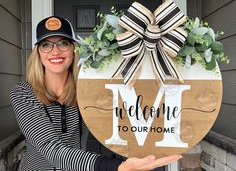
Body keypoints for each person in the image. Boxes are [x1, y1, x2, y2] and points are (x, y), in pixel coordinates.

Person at [9, 16, 182, 171]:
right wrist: (116, 167)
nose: (55, 51)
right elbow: (52, 149)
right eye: (46, 44)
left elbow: (120, 121)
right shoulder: (23, 93)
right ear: (38, 53)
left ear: (73, 49)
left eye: (63, 43)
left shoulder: (86, 91)